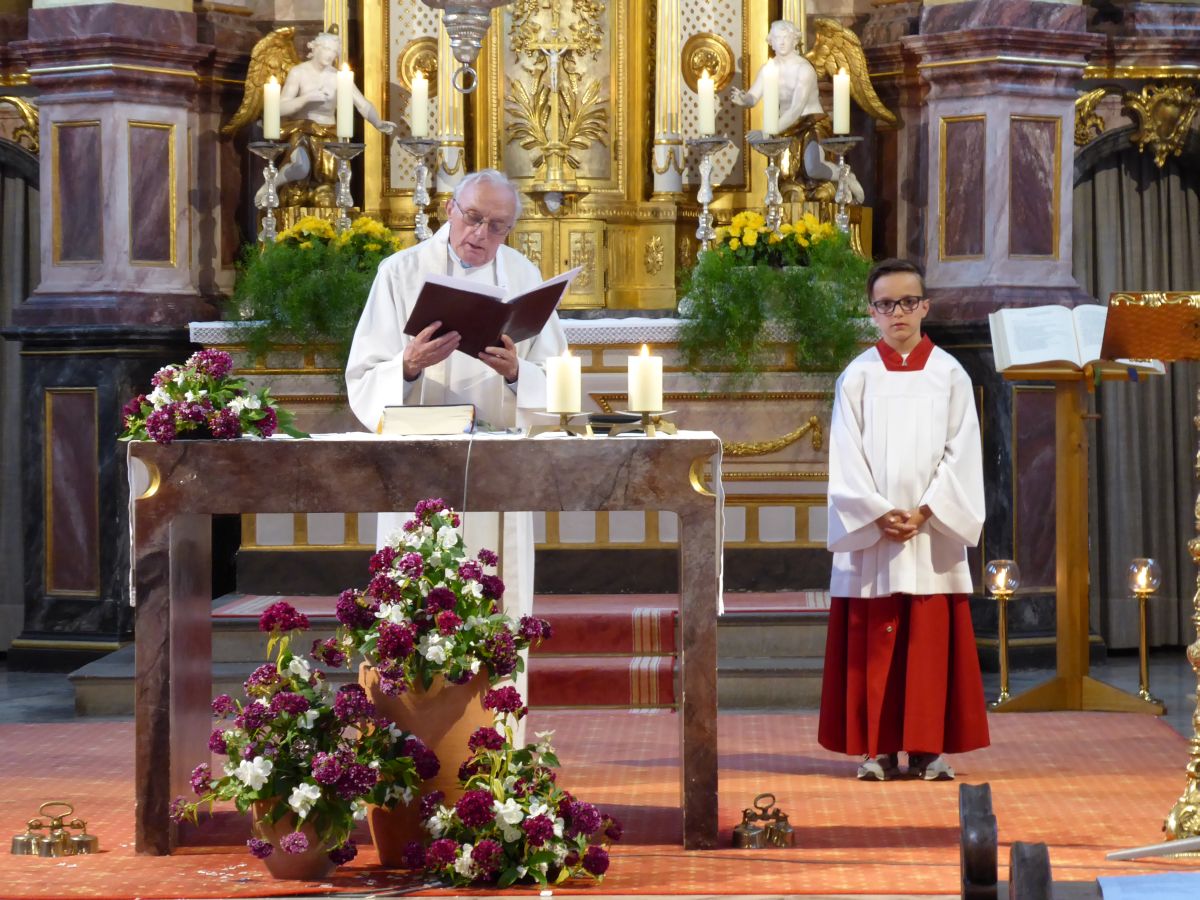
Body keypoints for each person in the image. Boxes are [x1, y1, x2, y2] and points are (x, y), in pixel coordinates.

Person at [345, 169, 568, 715]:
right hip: (418, 466)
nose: (481, 235)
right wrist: (407, 365)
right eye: (473, 218)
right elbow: (363, 377)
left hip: (497, 471)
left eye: (498, 227)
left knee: (496, 607)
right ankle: (406, 740)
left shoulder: (523, 277)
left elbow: (556, 380)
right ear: (449, 209)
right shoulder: (400, 273)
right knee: (413, 613)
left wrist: (518, 373)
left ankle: (496, 743)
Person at [817, 258, 990, 782]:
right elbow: (845, 455)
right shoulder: (858, 377)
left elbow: (963, 452)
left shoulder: (950, 374)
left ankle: (928, 749)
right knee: (874, 641)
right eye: (887, 304)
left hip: (930, 531)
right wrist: (876, 512)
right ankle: (877, 749)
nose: (899, 313)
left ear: (925, 307)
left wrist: (927, 511)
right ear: (871, 312)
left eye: (908, 302)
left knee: (928, 644)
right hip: (877, 532)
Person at [730, 20, 864, 203]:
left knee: (813, 168)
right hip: (785, 126)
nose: (782, 41)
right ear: (771, 42)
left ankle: (845, 175)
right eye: (777, 38)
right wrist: (744, 99)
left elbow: (796, 108)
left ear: (794, 40)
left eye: (786, 37)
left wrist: (767, 132)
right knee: (785, 175)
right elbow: (754, 95)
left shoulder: (804, 69)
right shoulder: (769, 69)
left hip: (811, 122)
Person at [271, 31, 396, 206]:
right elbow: (280, 108)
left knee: (332, 179)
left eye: (334, 51)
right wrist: (306, 98)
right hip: (303, 131)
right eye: (326, 49)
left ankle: (337, 208)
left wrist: (378, 122)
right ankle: (271, 185)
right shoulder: (298, 72)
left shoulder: (339, 77)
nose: (330, 54)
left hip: (329, 134)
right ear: (315, 48)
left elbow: (361, 103)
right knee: (300, 167)